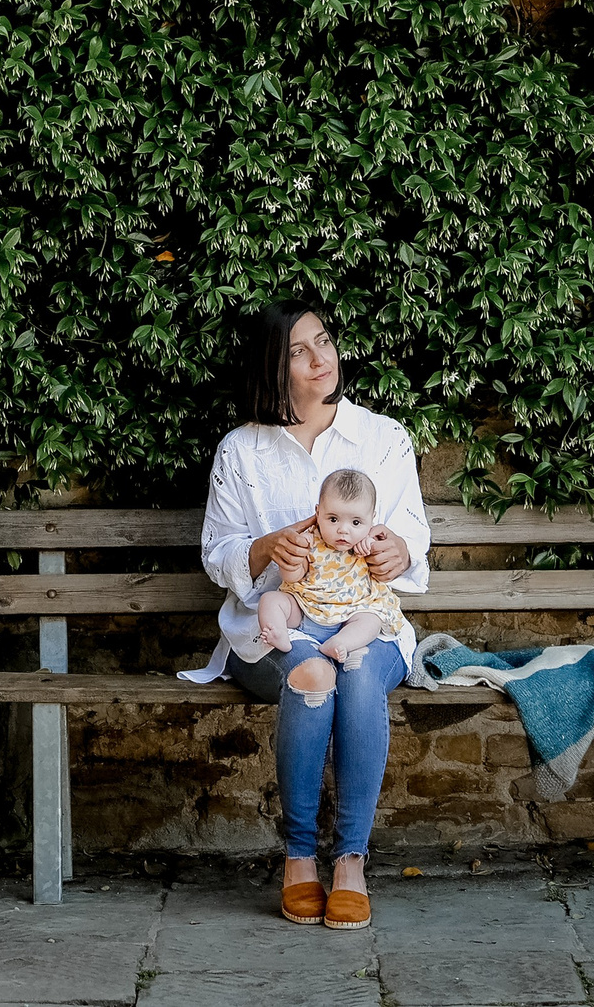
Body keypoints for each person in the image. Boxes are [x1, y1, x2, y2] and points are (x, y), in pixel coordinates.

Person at [198, 301, 431, 932]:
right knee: (313, 677)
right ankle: (300, 858)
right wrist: (268, 547)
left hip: (368, 624)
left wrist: (396, 550)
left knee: (354, 674)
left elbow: (415, 543)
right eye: (298, 351)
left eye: (323, 341)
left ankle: (350, 861)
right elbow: (218, 555)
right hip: (280, 628)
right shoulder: (241, 450)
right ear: (272, 366)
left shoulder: (383, 438)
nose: (320, 359)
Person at [254, 468, 408, 668]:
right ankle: (278, 632)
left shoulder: (369, 543)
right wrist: (294, 558)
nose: (343, 530)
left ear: (371, 519)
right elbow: (292, 578)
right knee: (271, 599)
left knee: (372, 620)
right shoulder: (309, 540)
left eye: (356, 522)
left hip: (352, 613)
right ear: (318, 513)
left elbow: (383, 568)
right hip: (304, 610)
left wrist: (370, 546)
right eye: (333, 519)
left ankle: (341, 641)